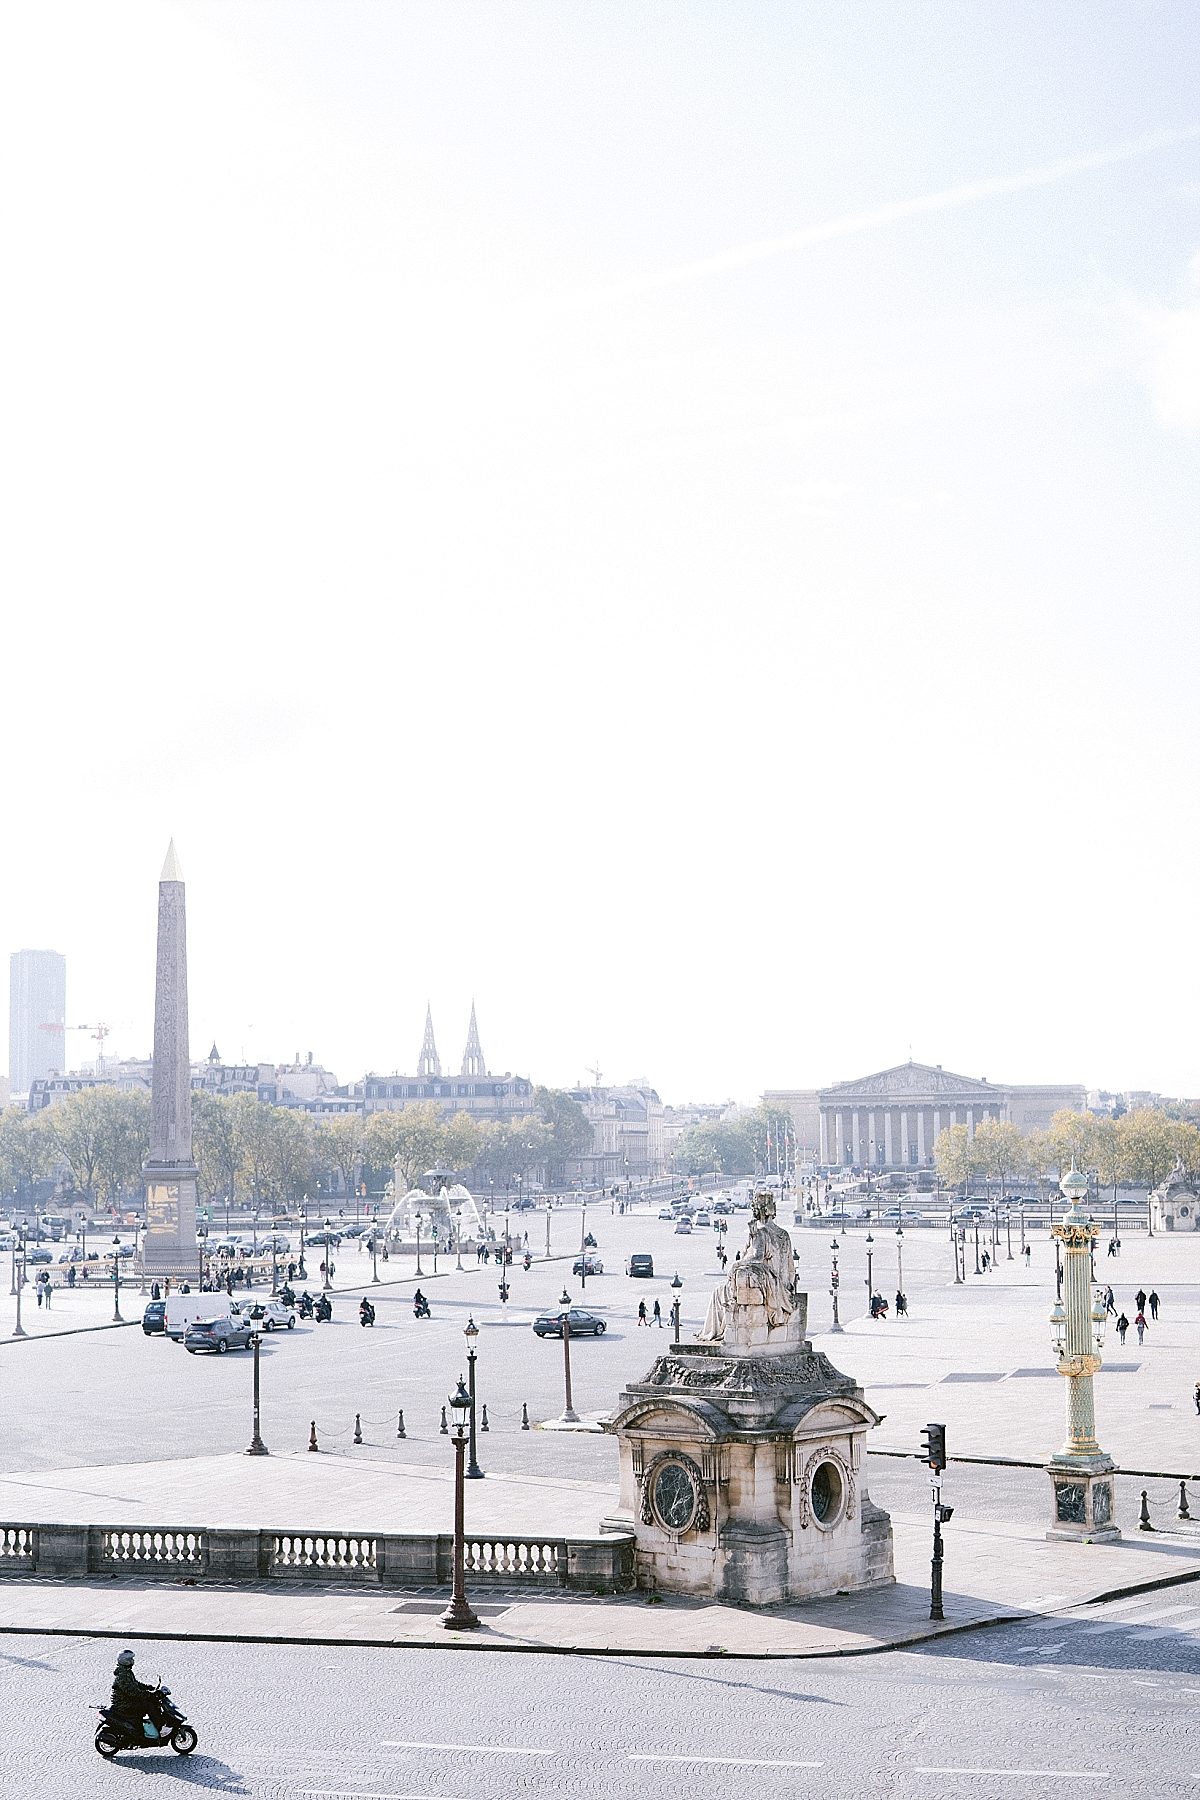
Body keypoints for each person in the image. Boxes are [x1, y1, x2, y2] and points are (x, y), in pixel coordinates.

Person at [109, 1649, 159, 1738]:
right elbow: (132, 1691)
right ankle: (159, 1727)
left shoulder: (126, 1671)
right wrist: (148, 1694)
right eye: (130, 1659)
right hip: (123, 1703)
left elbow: (135, 1684)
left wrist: (148, 1687)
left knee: (149, 1702)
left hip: (127, 1700)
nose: (133, 1661)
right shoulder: (123, 1675)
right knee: (148, 1705)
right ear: (125, 1661)